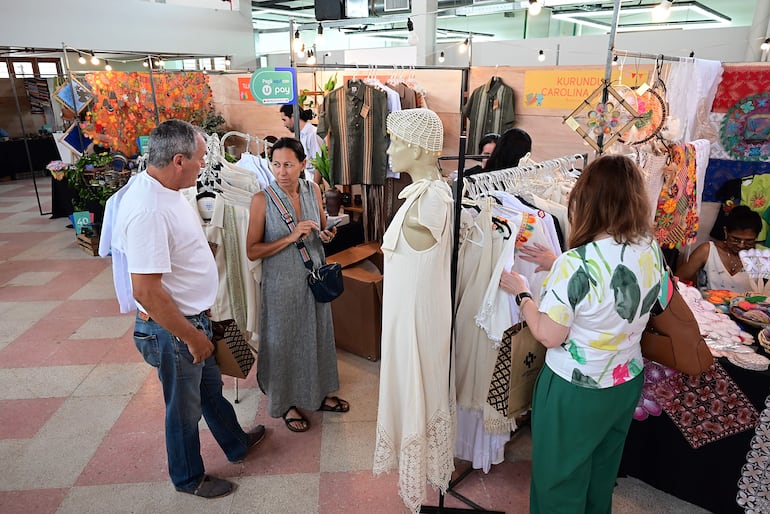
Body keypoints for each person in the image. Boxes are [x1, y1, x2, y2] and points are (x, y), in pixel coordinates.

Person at [499, 154, 665, 514]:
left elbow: (548, 335)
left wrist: (523, 293)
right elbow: (619, 291)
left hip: (576, 388)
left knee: (558, 479)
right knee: (601, 471)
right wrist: (558, 263)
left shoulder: (576, 264)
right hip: (624, 380)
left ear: (585, 201)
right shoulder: (651, 248)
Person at [115, 120, 266, 499]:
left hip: (192, 319)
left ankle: (235, 442)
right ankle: (188, 477)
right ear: (178, 160)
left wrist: (203, 311)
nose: (205, 166)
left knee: (212, 390)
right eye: (200, 160)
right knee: (183, 410)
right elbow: (146, 291)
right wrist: (191, 336)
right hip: (173, 332)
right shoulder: (148, 209)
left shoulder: (166, 189)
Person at [373, 109, 455, 512]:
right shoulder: (426, 196)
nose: (388, 150)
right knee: (410, 383)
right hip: (407, 314)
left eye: (395, 142)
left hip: (416, 322)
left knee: (416, 383)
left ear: (419, 149)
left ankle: (422, 467)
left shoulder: (431, 201)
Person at [245, 137, 348, 433]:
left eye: (289, 164)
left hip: (314, 276)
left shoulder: (313, 189)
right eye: (276, 164)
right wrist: (291, 237)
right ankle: (285, 401)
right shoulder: (261, 200)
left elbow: (322, 224)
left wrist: (326, 234)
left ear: (303, 165)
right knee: (284, 341)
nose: (282, 171)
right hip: (281, 283)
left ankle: (318, 393)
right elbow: (252, 250)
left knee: (317, 334)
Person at [677, 205, 762, 291]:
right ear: (725, 231)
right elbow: (677, 280)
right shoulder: (707, 251)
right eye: (735, 239)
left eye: (749, 241)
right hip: (705, 303)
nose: (741, 245)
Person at [279, 105, 324, 185]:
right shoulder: (300, 135)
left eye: (284, 120)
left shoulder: (312, 134)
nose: (284, 125)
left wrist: (314, 189)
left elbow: (319, 164)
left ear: (293, 116)